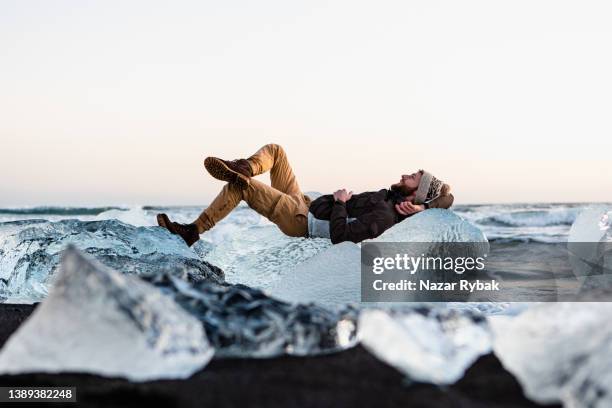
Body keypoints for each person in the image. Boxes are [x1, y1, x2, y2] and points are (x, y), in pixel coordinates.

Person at [157, 143, 454, 247]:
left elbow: (342, 236)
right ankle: (244, 166)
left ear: (417, 191)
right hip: (307, 204)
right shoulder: (391, 200)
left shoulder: (386, 215)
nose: (404, 175)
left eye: (412, 177)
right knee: (276, 151)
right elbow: (447, 197)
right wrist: (426, 207)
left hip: (301, 220)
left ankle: (193, 231)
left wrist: (339, 202)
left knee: (239, 185)